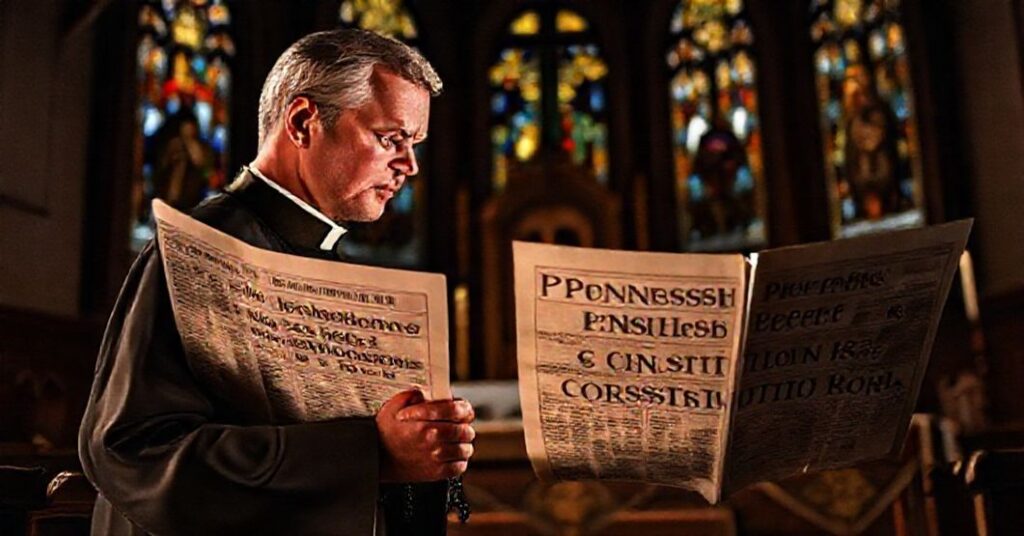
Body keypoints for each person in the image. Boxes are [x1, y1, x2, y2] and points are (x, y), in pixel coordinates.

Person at [79, 29, 475, 535]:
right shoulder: (201, 249)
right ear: (304, 121)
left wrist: (422, 442)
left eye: (414, 144)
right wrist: (370, 451)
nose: (409, 166)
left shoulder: (337, 262)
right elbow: (132, 452)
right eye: (390, 138)